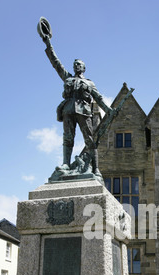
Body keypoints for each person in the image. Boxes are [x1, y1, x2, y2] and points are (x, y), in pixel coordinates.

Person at [42, 35, 114, 176]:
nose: (76, 66)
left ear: (84, 68)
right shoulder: (67, 77)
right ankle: (66, 164)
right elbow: (56, 63)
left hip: (84, 111)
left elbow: (98, 98)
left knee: (89, 140)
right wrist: (48, 43)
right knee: (68, 138)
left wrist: (108, 109)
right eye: (75, 64)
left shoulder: (89, 83)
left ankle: (95, 169)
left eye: (79, 64)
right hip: (68, 110)